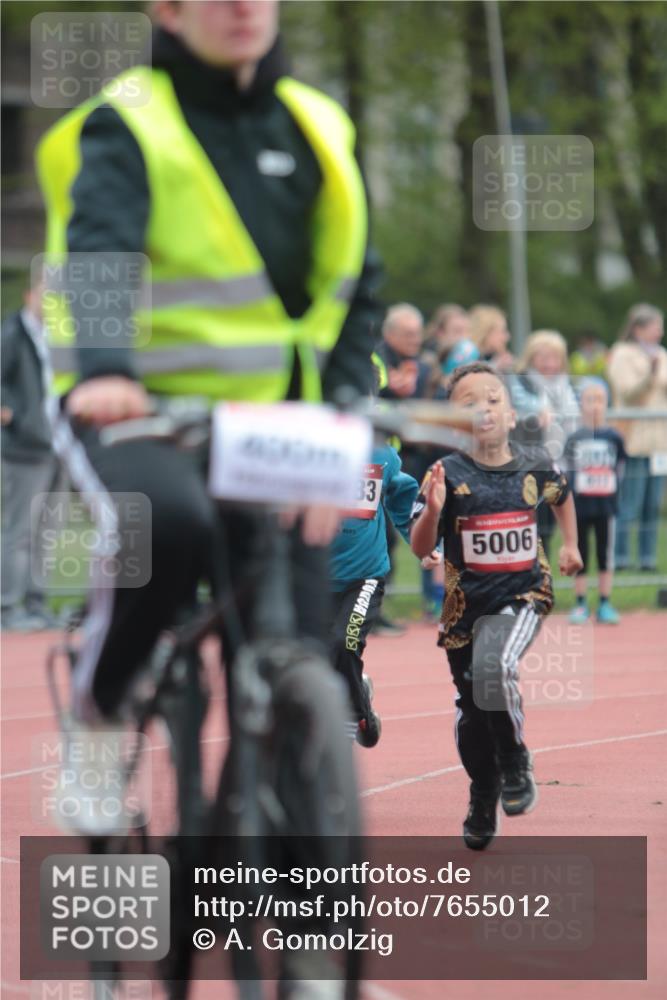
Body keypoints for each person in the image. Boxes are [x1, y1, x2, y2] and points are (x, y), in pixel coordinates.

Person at [35, 0, 382, 834]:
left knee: (304, 645)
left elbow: (355, 287)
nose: (243, 8)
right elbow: (101, 249)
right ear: (168, 9)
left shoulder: (317, 122)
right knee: (170, 526)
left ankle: (307, 937)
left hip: (272, 424)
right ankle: (99, 718)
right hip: (137, 410)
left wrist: (341, 415)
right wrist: (109, 370)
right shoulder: (131, 121)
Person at [410, 361, 581, 851]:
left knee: (495, 662)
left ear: (510, 414)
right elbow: (422, 548)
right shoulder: (445, 474)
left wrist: (569, 545)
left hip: (524, 593)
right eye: (469, 403)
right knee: (473, 709)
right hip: (465, 610)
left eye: (492, 398)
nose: (483, 408)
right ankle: (483, 792)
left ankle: (515, 761)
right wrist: (436, 509)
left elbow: (562, 495)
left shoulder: (533, 462)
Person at [329, 422, 419, 746]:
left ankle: (353, 719)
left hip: (365, 575)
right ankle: (361, 697)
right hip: (314, 577)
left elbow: (403, 495)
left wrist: (425, 543)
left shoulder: (381, 453)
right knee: (317, 656)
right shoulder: (303, 449)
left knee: (344, 643)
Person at [1, 284, 59, 631]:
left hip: (58, 448)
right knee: (19, 531)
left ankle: (37, 604)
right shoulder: (12, 334)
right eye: (45, 295)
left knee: (47, 533)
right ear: (29, 295)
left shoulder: (59, 337)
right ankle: (8, 608)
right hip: (25, 449)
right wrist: (15, 417)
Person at [507, 329, 580, 556]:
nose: (549, 363)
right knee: (531, 518)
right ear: (531, 357)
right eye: (543, 357)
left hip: (558, 461)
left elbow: (572, 419)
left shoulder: (566, 386)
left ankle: (543, 569)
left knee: (550, 522)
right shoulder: (521, 383)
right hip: (528, 462)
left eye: (554, 357)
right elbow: (524, 410)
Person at [607, 304, 667, 572]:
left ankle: (647, 559)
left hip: (659, 443)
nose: (660, 331)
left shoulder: (662, 354)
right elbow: (628, 392)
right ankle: (620, 558)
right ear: (639, 329)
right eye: (655, 326)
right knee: (630, 504)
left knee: (652, 506)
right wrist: (650, 375)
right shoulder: (622, 354)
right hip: (633, 441)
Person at [564, 378, 626, 625]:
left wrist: (614, 492)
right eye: (589, 400)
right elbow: (567, 469)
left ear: (607, 403)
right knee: (581, 553)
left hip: (606, 505)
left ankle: (604, 601)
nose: (595, 406)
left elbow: (621, 467)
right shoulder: (575, 437)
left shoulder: (614, 437)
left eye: (600, 400)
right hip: (580, 506)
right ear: (580, 404)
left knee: (604, 553)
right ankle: (580, 602)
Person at [468, 304, 515, 373]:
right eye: (503, 331)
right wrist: (496, 366)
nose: (507, 337)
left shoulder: (490, 358)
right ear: (486, 331)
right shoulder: (467, 355)